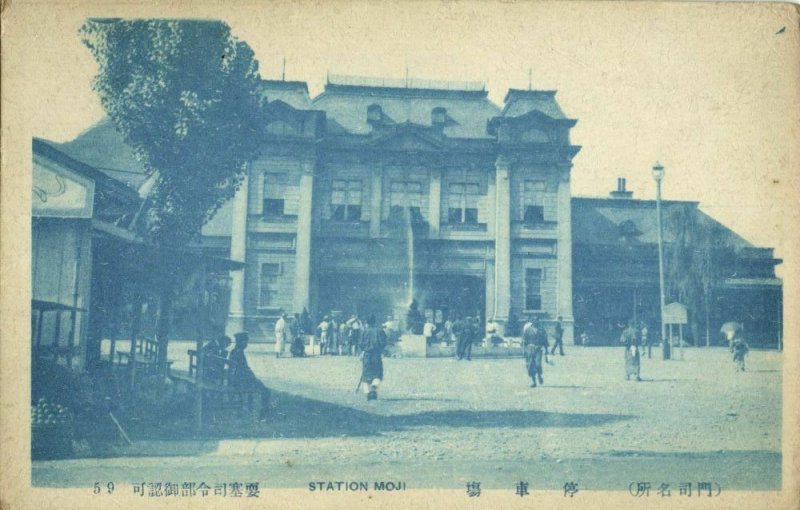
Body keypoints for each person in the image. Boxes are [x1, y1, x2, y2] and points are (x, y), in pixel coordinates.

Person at [228, 332, 270, 419]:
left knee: (259, 385)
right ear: (241, 342)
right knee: (266, 391)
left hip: (238, 380)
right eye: (246, 342)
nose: (246, 344)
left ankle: (252, 410)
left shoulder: (234, 351)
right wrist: (254, 378)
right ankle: (263, 414)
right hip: (242, 381)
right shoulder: (239, 353)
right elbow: (244, 370)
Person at [359, 315, 386, 401]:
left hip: (367, 355)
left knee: (366, 373)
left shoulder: (364, 331)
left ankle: (367, 392)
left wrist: (364, 349)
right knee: (377, 372)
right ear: (375, 322)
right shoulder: (380, 331)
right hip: (376, 354)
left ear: (367, 322)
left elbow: (361, 344)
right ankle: (374, 387)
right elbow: (383, 342)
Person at [522, 318, 549, 387]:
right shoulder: (527, 330)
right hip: (529, 349)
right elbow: (524, 341)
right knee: (530, 365)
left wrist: (546, 352)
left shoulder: (542, 330)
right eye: (535, 322)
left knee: (538, 364)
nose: (536, 323)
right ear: (532, 323)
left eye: (537, 322)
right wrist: (523, 350)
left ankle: (539, 375)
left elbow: (545, 341)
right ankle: (533, 381)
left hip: (538, 349)